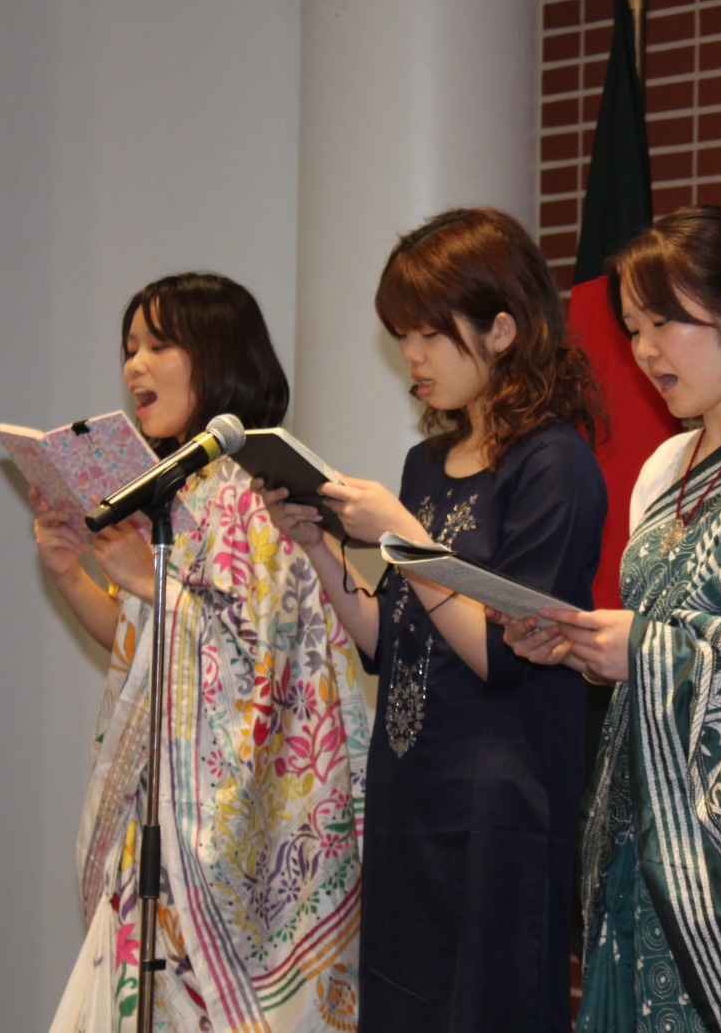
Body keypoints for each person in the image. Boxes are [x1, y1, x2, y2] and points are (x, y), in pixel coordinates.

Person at [495, 204, 721, 1033]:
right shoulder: (677, 467)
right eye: (632, 328)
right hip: (642, 846)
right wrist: (584, 648)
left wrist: (650, 652)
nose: (645, 351)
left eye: (665, 323)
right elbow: (675, 634)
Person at [257, 206, 607, 1032]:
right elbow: (393, 642)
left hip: (501, 806)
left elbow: (502, 654)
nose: (410, 356)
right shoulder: (426, 463)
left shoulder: (555, 461)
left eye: (427, 334)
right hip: (412, 787)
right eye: (400, 335)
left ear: (501, 329)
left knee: (486, 1009)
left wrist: (405, 541)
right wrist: (318, 547)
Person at [37, 273, 370, 1031]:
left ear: (219, 356)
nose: (134, 366)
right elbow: (141, 651)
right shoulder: (172, 492)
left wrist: (159, 594)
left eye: (159, 344)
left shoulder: (258, 490)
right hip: (160, 830)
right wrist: (72, 571)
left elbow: (272, 668)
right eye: (128, 348)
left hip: (227, 850)